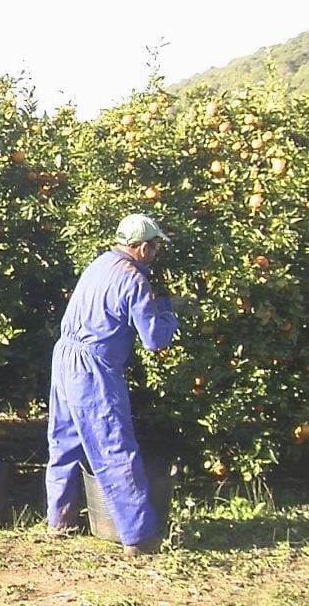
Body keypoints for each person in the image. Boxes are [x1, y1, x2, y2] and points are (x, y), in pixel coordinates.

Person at [45, 213, 180, 557]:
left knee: (65, 441)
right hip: (94, 368)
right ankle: (139, 537)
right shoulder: (134, 279)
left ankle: (60, 520)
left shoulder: (101, 263)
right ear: (144, 247)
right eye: (157, 247)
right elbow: (153, 340)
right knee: (114, 447)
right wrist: (171, 316)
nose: (157, 253)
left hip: (65, 358)